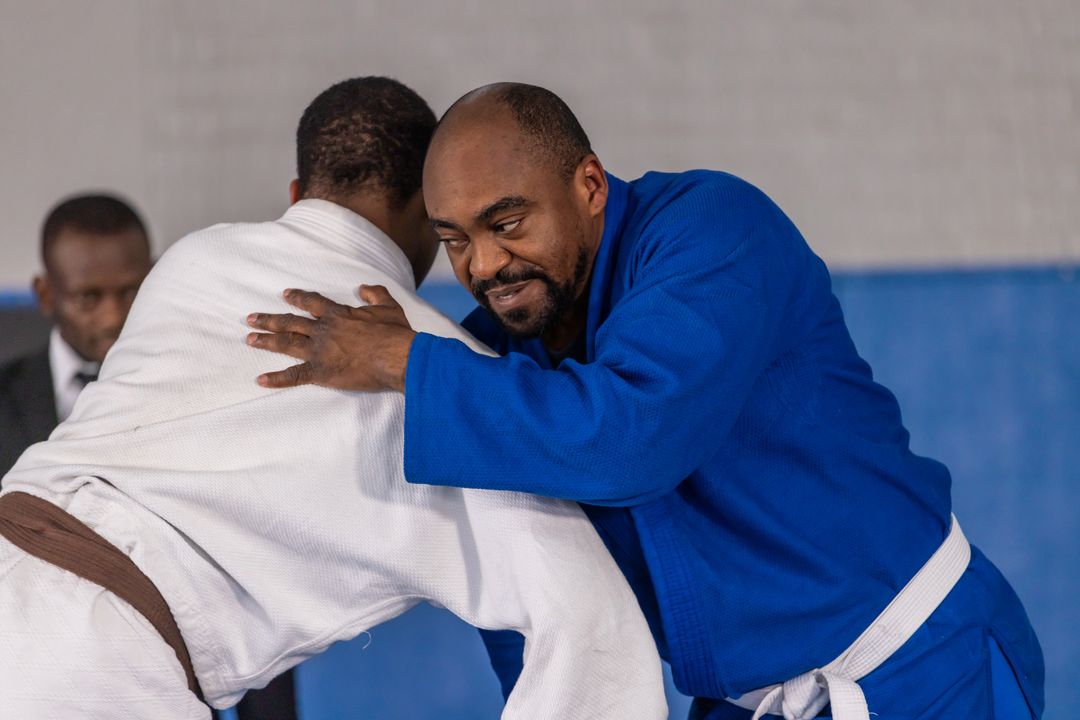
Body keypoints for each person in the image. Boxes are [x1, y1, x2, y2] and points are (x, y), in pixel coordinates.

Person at [246, 82, 1045, 719]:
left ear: (589, 184)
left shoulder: (710, 231)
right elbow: (523, 584)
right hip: (749, 700)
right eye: (454, 239)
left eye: (508, 222)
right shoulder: (492, 356)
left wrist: (407, 362)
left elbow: (629, 438)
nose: (484, 263)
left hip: (920, 668)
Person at [0, 77, 665, 720]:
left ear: (297, 193)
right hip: (89, 664)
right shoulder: (436, 372)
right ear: (429, 213)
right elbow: (589, 617)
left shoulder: (193, 260)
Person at [0, 194, 151, 477]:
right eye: (88, 297)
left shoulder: (196, 383)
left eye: (131, 292)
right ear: (45, 295)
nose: (113, 317)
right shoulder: (5, 400)